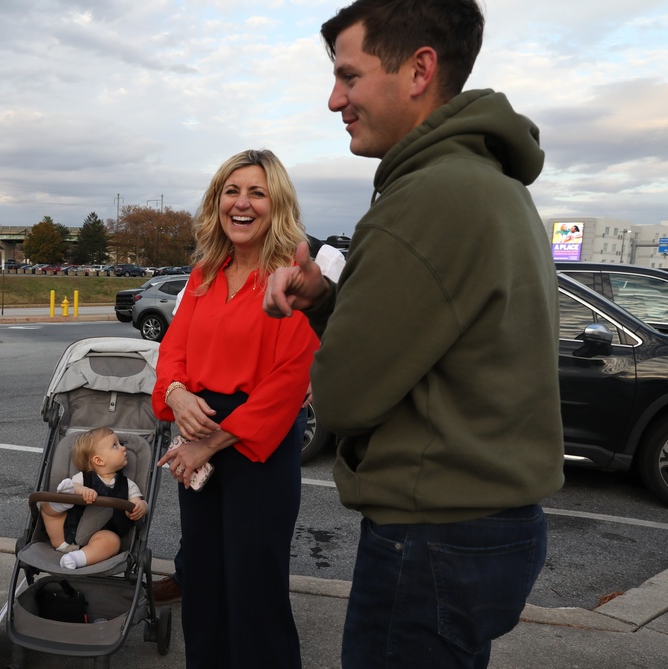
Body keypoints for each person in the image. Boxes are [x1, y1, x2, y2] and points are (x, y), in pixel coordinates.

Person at [263, 2, 564, 667]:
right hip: (486, 529)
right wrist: (329, 300)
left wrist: (325, 322)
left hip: (431, 540)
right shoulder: (492, 186)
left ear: (420, 68)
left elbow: (343, 396)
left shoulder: (425, 199)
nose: (334, 98)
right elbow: (436, 346)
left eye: (349, 75)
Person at [153, 148, 319, 668]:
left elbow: (291, 376)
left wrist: (209, 441)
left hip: (255, 446)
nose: (241, 204)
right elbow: (172, 351)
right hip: (197, 429)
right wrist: (177, 395)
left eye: (256, 193)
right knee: (202, 578)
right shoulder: (204, 272)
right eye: (232, 191)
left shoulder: (290, 274)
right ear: (216, 200)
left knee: (254, 588)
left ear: (277, 204)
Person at [41, 427, 149, 570]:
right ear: (99, 460)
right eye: (115, 445)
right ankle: (63, 501)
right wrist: (81, 490)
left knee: (112, 541)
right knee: (45, 507)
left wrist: (140, 507)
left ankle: (77, 558)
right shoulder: (83, 478)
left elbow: (136, 501)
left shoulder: (128, 485)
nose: (124, 448)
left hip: (98, 538)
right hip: (64, 534)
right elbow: (76, 485)